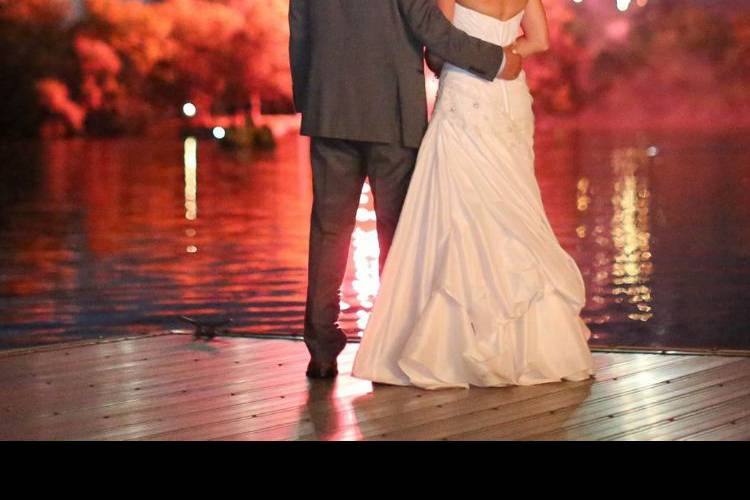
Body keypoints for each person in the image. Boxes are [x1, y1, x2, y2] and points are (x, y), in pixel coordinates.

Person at [352, 0, 595, 389]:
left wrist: (459, 59)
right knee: (514, 207)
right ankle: (529, 345)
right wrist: (509, 53)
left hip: (466, 93)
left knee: (459, 210)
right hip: (511, 98)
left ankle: (457, 342)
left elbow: (440, 46)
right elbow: (542, 40)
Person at [289, 0, 523, 378]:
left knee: (329, 232)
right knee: (396, 232)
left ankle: (320, 348)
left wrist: (309, 99)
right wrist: (495, 60)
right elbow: (432, 29)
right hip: (392, 116)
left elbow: (299, 31)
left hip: (328, 110)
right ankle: (394, 341)